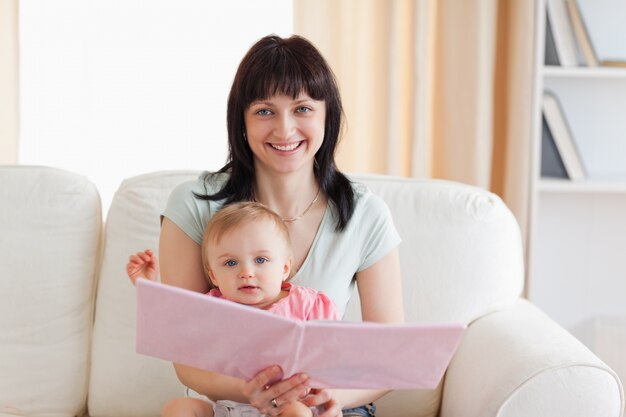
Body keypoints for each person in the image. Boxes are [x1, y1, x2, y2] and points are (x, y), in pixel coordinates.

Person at [157, 34, 404, 417]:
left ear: (327, 116)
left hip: (323, 406)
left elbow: (390, 358)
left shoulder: (365, 214)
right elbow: (186, 357)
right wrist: (250, 391)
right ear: (240, 120)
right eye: (264, 111)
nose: (285, 130)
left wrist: (330, 397)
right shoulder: (192, 205)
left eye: (303, 109)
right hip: (234, 404)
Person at [127, 202, 340, 417]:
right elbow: (173, 327)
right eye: (230, 263)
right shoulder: (210, 308)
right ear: (213, 277)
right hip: (224, 405)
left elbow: (336, 354)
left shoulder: (309, 304)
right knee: (178, 409)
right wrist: (148, 287)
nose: (246, 272)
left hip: (284, 405)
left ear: (284, 268)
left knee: (299, 414)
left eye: (260, 260)